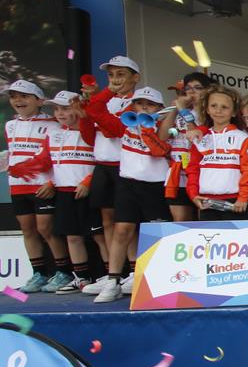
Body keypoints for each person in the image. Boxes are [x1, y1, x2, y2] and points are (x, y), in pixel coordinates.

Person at [91, 87, 174, 303]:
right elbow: (95, 111)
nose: (144, 107)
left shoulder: (166, 125)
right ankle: (113, 281)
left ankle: (158, 281)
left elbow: (159, 150)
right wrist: (110, 90)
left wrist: (154, 124)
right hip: (127, 182)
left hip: (155, 185)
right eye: (139, 103)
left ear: (159, 107)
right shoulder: (125, 123)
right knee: (122, 231)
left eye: (150, 104)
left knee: (157, 235)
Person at [16, 91, 99, 293]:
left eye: (65, 108)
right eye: (56, 109)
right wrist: (21, 169)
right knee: (72, 236)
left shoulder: (93, 131)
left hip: (88, 191)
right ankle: (81, 278)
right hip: (64, 192)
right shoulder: (53, 133)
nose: (60, 113)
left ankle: (111, 277)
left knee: (100, 236)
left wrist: (88, 182)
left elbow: (102, 160)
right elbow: (48, 161)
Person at [2, 79, 67, 293]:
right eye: (14, 97)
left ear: (39, 101)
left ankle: (64, 272)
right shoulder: (10, 125)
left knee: (45, 228)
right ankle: (39, 273)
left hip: (42, 184)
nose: (18, 100)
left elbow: (58, 156)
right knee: (27, 229)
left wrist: (52, 182)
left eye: (24, 96)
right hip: (18, 185)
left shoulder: (53, 124)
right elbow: (12, 153)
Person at [82, 56, 140, 288]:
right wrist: (85, 115)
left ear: (135, 77)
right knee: (107, 220)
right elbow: (90, 137)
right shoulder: (104, 99)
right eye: (111, 75)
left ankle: (134, 270)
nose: (115, 80)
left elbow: (114, 130)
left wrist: (98, 100)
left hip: (125, 166)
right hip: (102, 165)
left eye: (121, 74)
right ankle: (112, 273)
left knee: (127, 221)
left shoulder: (139, 101)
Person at [185, 85, 248, 221]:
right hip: (206, 201)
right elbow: (192, 169)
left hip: (234, 202)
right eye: (214, 106)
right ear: (207, 109)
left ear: (234, 112)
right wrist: (193, 195)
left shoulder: (242, 137)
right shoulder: (200, 138)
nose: (218, 111)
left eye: (224, 107)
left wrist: (243, 198)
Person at [164, 72, 208, 222]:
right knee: (181, 222)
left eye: (197, 88)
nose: (191, 92)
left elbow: (196, 137)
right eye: (188, 88)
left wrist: (183, 110)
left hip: (201, 173)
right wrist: (175, 109)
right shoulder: (180, 111)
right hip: (179, 172)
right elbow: (162, 137)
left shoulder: (211, 113)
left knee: (204, 221)